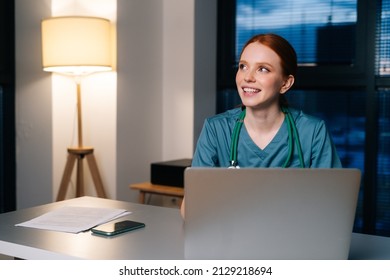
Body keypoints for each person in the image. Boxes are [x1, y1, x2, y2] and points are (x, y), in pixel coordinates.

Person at [181, 33, 341, 217]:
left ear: (285, 83)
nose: (247, 77)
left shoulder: (312, 132)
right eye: (243, 66)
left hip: (292, 240)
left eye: (263, 69)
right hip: (231, 239)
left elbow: (332, 208)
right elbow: (190, 209)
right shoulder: (216, 129)